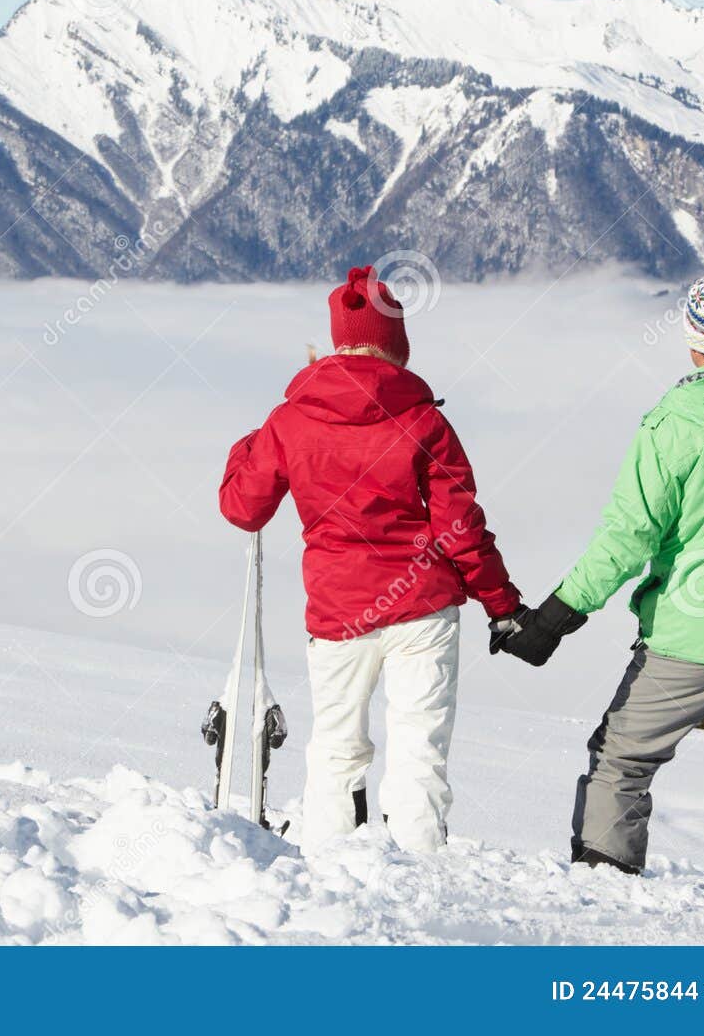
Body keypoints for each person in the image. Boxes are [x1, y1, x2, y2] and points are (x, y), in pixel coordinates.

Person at [494, 263, 704, 904]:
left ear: (693, 341)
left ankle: (605, 896)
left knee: (620, 762)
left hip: (689, 635)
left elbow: (627, 539)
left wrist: (554, 617)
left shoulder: (671, 426)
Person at [219, 266, 523, 854]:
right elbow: (460, 529)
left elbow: (243, 508)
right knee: (419, 747)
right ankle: (418, 868)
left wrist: (250, 443)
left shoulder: (290, 419)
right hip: (423, 607)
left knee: (335, 747)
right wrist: (503, 605)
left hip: (338, 612)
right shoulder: (424, 420)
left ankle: (332, 869)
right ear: (396, 346)